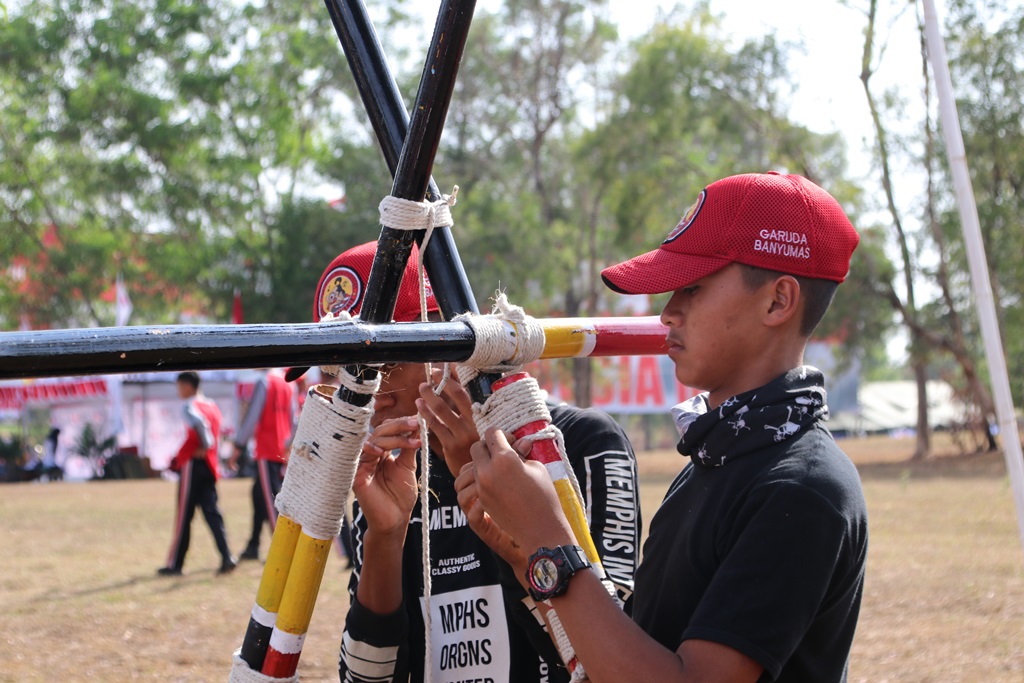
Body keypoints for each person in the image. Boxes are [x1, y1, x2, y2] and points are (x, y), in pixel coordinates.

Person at [457, 171, 869, 682]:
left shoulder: (803, 488)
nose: (668, 312)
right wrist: (527, 559)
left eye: (693, 288)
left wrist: (548, 539)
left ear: (778, 301)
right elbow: (632, 656)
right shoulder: (718, 457)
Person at [291, 241, 641, 682]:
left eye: (384, 362)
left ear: (446, 340)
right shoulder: (389, 470)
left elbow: (613, 660)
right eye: (340, 371)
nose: (364, 390)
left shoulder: (581, 442)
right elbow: (362, 677)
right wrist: (385, 535)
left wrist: (505, 512)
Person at [159, 371, 236, 576]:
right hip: (210, 466)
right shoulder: (212, 405)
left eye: (179, 386)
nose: (178, 390)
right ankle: (226, 556)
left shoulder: (189, 406)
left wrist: (204, 443)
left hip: (193, 465)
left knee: (184, 515)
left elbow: (202, 428)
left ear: (188, 386)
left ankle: (176, 564)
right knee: (212, 513)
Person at [230, 367, 294, 561]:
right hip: (282, 447)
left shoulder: (263, 382)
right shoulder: (287, 382)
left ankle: (282, 550)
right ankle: (253, 545)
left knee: (270, 499)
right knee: (258, 495)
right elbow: (293, 417)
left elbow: (252, 416)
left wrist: (238, 445)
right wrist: (289, 444)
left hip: (267, 448)